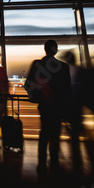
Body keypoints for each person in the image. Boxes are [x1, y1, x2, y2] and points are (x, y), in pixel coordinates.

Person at [25, 40, 71, 173]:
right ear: (55, 50)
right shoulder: (63, 67)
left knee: (44, 133)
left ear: (45, 49)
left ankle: (41, 162)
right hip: (58, 105)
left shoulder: (37, 65)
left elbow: (28, 84)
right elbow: (67, 90)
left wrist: (37, 96)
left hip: (45, 104)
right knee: (55, 135)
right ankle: (54, 161)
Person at [62, 51, 83, 167]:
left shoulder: (64, 71)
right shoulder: (79, 70)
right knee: (75, 133)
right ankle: (76, 156)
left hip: (65, 104)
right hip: (76, 105)